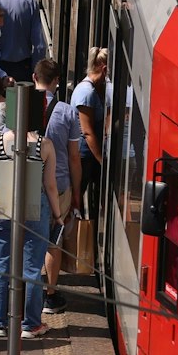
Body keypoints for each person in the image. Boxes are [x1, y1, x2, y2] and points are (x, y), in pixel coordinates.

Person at [0, 95, 47, 339]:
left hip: (1, 202)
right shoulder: (44, 145)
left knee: (0, 266)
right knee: (32, 268)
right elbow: (49, 185)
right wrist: (58, 214)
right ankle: (30, 325)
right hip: (34, 204)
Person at [36, 57, 84, 315]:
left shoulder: (16, 103)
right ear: (57, 81)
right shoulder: (67, 112)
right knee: (53, 239)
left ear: (34, 77)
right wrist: (77, 192)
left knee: (25, 237)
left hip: (26, 181)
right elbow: (75, 156)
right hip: (60, 183)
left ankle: (24, 292)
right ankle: (49, 295)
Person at [71, 45, 110, 224]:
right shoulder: (86, 93)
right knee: (76, 197)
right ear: (104, 69)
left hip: (86, 155)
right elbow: (87, 132)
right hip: (84, 155)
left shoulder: (93, 90)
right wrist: (102, 160)